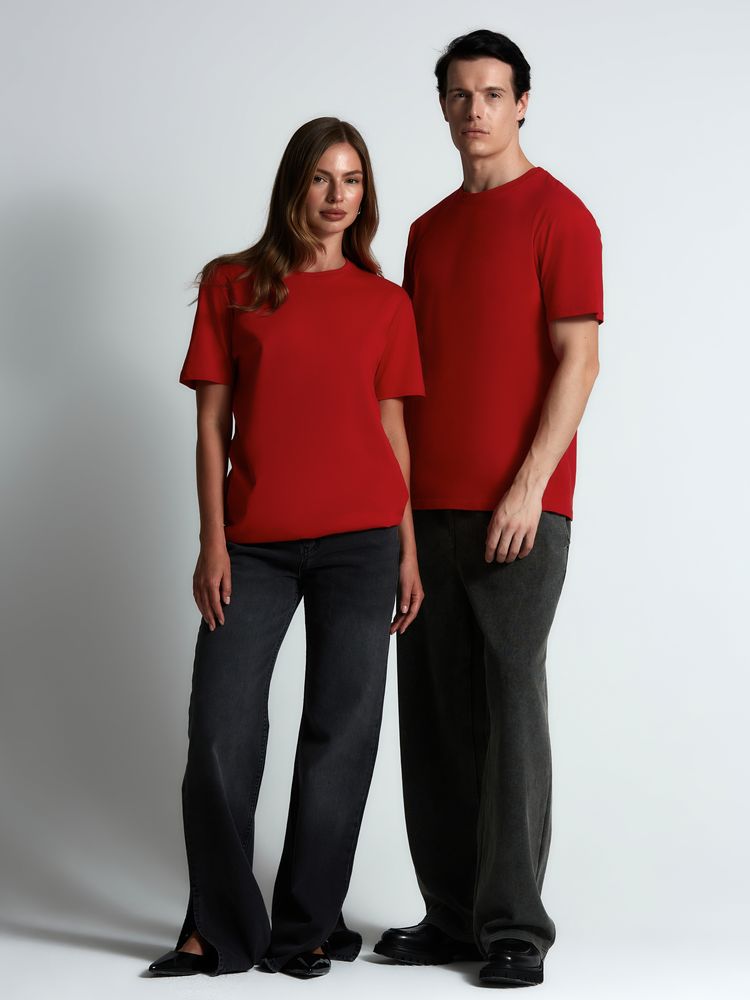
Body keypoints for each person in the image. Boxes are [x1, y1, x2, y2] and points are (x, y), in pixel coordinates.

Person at [148, 117, 425, 981]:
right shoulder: (232, 285)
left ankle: (305, 925)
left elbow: (393, 430)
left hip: (363, 542)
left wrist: (408, 549)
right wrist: (213, 542)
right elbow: (211, 427)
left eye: (353, 180)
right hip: (255, 547)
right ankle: (216, 929)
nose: (338, 196)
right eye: (322, 178)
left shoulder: (387, 303)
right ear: (294, 185)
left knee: (342, 734)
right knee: (221, 731)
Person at [373, 30, 604, 988]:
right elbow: (407, 380)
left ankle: (513, 928)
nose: (476, 110)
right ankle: (451, 916)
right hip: (425, 508)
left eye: (493, 93)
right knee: (432, 713)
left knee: (510, 708)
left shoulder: (560, 215)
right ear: (443, 106)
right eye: (460, 94)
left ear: (522, 104)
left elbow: (579, 360)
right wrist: (395, 515)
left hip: (522, 510)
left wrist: (529, 486)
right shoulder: (427, 233)